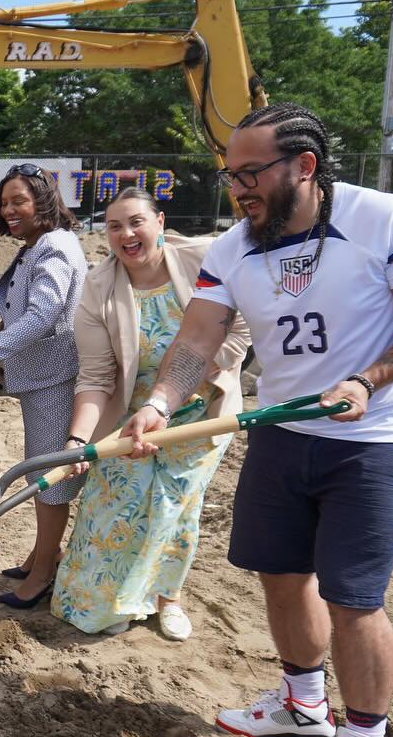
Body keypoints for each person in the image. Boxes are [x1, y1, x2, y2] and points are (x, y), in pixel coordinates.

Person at [124, 103, 393, 737]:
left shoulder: (388, 221)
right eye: (230, 177)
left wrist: (368, 380)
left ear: (304, 166)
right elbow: (198, 339)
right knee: (282, 576)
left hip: (374, 437)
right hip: (284, 429)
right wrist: (159, 404)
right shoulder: (232, 249)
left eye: (249, 175)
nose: (237, 190)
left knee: (353, 598)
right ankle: (301, 705)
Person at [51, 187, 250, 638]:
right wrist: (79, 441)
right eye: (115, 226)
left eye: (136, 221)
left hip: (201, 412)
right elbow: (97, 377)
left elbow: (239, 329)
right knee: (112, 505)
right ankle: (101, 602)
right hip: (128, 415)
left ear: (160, 222)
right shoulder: (98, 287)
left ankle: (168, 600)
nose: (126, 234)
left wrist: (180, 394)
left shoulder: (205, 259)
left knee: (173, 507)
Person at [0, 164, 87, 610]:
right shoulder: (37, 245)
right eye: (4, 203)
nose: (8, 211)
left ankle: (45, 572)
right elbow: (31, 309)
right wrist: (1, 327)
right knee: (37, 469)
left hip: (56, 377)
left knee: (49, 480)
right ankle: (41, 555)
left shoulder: (55, 248)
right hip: (41, 374)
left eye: (18, 202)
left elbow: (43, 316)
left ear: (44, 201)